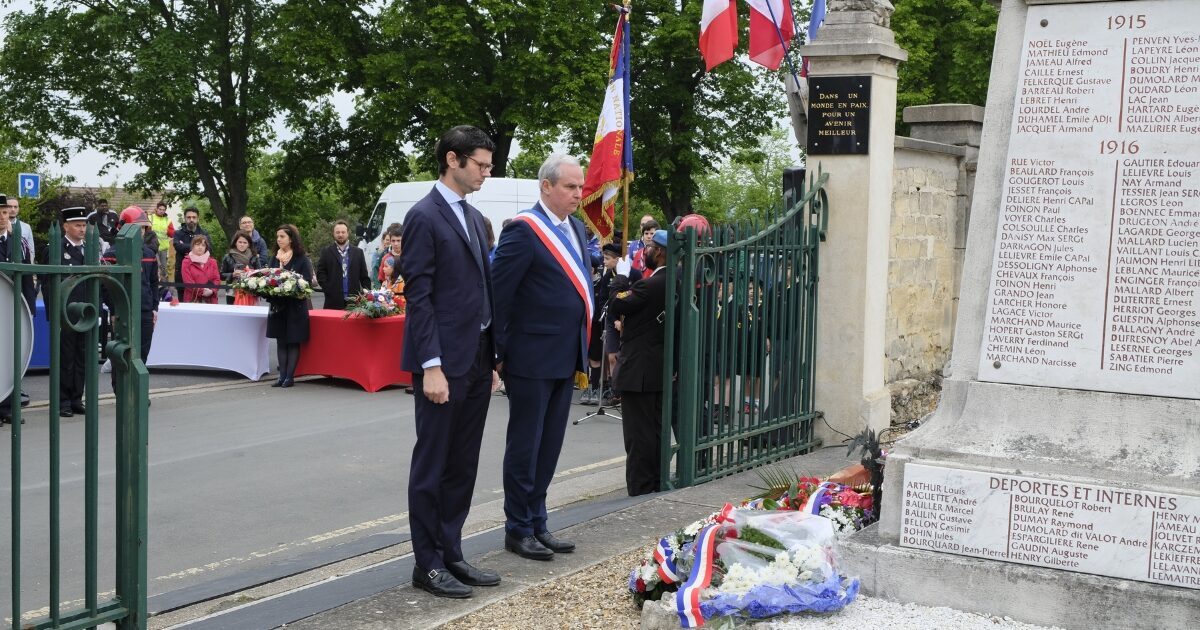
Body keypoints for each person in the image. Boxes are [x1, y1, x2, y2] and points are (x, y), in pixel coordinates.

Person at [400, 125, 501, 599]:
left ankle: (452, 552)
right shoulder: (424, 215)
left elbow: (482, 289)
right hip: (443, 363)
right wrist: (432, 365)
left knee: (463, 464)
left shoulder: (474, 217)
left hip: (478, 359)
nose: (487, 171)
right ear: (453, 159)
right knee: (433, 465)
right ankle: (427, 563)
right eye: (480, 164)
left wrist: (493, 356)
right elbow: (419, 297)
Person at [492, 154, 591, 562]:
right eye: (570, 187)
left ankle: (538, 520)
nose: (578, 195)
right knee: (525, 445)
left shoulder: (577, 229)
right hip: (530, 355)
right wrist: (499, 352)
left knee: (550, 445)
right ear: (546, 186)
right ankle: (517, 527)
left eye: (580, 187)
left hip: (566, 353)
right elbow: (499, 294)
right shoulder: (523, 230)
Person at [607, 230, 670, 495]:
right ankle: (654, 481)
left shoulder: (650, 285)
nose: (645, 252)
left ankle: (641, 488)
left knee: (638, 436)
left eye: (649, 247)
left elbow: (615, 305)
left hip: (639, 370)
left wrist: (620, 278)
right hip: (657, 367)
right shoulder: (674, 279)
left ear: (660, 251)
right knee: (653, 432)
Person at [103, 208, 160, 363]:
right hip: (123, 313)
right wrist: (114, 310)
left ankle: (138, 388)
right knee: (122, 357)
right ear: (124, 227)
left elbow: (154, 283)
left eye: (143, 228)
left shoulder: (149, 254)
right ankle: (120, 388)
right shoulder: (111, 255)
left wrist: (154, 308)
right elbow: (106, 287)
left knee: (142, 356)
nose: (141, 232)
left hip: (146, 312)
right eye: (137, 227)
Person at [49, 207, 90, 417]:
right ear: (66, 226)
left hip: (85, 311)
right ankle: (62, 400)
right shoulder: (56, 247)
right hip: (65, 312)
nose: (82, 229)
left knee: (82, 356)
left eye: (84, 225)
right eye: (77, 225)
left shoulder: (90, 248)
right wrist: (52, 313)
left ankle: (76, 398)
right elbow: (49, 283)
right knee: (65, 358)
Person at [0, 204, 36, 426]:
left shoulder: (18, 242)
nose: (2, 217)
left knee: (9, 355)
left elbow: (26, 276)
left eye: (4, 212)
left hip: (12, 308)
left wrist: (30, 308)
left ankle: (6, 406)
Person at [266, 224, 313, 388]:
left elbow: (307, 282)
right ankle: (281, 376)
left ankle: (290, 377)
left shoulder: (301, 258)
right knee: (281, 341)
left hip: (295, 307)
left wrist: (292, 285)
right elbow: (268, 279)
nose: (279, 240)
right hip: (278, 307)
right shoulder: (274, 258)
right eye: (277, 237)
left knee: (292, 341)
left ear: (291, 239)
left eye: (282, 237)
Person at [316, 220, 370, 310]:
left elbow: (364, 276)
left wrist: (367, 294)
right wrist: (328, 289)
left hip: (355, 300)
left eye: (343, 232)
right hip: (332, 300)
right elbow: (321, 273)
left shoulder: (358, 252)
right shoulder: (326, 252)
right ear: (333, 233)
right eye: (337, 232)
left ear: (348, 233)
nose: (340, 235)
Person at [220, 231, 264, 304]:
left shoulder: (254, 257)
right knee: (233, 313)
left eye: (245, 243)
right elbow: (221, 275)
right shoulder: (228, 257)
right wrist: (232, 274)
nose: (242, 245)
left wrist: (251, 273)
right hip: (232, 292)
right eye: (240, 242)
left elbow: (260, 274)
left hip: (250, 291)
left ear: (249, 244)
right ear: (235, 243)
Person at [181, 234, 220, 304]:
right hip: (192, 299)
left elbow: (216, 279)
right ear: (192, 246)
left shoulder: (213, 262)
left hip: (210, 299)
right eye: (197, 245)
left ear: (206, 248)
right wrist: (202, 291)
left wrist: (212, 291)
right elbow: (188, 281)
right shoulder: (186, 261)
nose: (200, 247)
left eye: (203, 245)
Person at [172, 207, 209, 283]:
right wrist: (199, 247)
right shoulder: (178, 233)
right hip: (181, 275)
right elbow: (178, 247)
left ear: (198, 219)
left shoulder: (204, 234)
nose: (191, 219)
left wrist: (185, 246)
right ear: (185, 219)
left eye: (194, 217)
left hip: (200, 274)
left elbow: (209, 249)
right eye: (189, 217)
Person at [150, 201, 175, 295]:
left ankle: (164, 289)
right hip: (152, 248)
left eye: (163, 210)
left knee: (164, 268)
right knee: (155, 268)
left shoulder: (167, 220)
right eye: (160, 209)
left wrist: (170, 231)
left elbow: (172, 233)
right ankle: (154, 286)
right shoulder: (150, 217)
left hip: (163, 248)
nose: (161, 211)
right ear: (156, 209)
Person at [5, 196, 35, 264]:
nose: (13, 209)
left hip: (22, 265)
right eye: (10, 206)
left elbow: (31, 250)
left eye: (15, 207)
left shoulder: (26, 227)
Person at [377, 224, 403, 288]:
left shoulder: (409, 256)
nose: (396, 244)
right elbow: (381, 277)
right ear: (390, 241)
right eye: (393, 241)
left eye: (398, 240)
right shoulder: (386, 257)